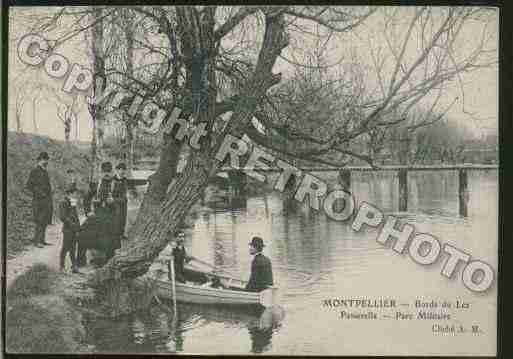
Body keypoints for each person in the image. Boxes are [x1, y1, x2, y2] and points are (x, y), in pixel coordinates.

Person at [25, 151, 53, 248]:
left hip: (46, 200)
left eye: (47, 160)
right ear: (39, 160)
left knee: (44, 220)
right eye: (44, 160)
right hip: (38, 200)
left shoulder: (45, 172)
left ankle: (42, 240)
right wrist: (40, 193)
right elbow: (29, 185)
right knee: (39, 221)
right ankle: (37, 241)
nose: (46, 162)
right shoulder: (34, 171)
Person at [96, 161, 117, 261]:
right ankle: (99, 258)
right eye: (104, 171)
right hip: (99, 213)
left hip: (111, 214)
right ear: (101, 172)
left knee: (111, 237)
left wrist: (114, 201)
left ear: (112, 172)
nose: (106, 173)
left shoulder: (116, 183)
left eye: (108, 171)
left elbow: (123, 199)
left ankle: (109, 259)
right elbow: (87, 198)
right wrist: (88, 211)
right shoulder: (97, 183)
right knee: (98, 235)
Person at [59, 184, 81, 273]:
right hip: (68, 229)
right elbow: (63, 217)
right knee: (65, 247)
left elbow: (75, 216)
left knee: (73, 248)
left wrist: (78, 227)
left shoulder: (73, 202)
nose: (76, 195)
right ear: (70, 193)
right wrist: (72, 225)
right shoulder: (63, 202)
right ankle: (62, 266)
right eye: (75, 193)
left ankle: (74, 266)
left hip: (74, 229)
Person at [112, 163, 135, 242]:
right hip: (115, 202)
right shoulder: (112, 180)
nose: (122, 171)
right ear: (117, 170)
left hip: (124, 202)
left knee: (123, 219)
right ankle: (115, 237)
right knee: (116, 219)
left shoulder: (125, 180)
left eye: (123, 170)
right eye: (120, 169)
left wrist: (129, 195)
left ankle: (121, 235)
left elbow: (129, 189)